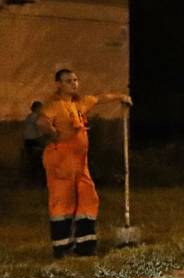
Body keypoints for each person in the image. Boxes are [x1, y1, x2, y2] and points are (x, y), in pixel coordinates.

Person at [38, 70, 132, 258]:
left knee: (88, 198)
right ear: (58, 84)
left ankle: (85, 246)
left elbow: (99, 98)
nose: (73, 84)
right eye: (68, 81)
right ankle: (62, 248)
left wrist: (122, 97)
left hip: (80, 162)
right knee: (62, 202)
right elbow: (42, 122)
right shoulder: (54, 105)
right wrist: (53, 133)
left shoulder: (79, 103)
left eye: (75, 80)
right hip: (61, 160)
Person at [21, 101, 46, 186]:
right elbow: (40, 130)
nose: (42, 110)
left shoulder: (29, 116)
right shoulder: (36, 118)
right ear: (37, 108)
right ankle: (39, 180)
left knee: (34, 160)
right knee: (43, 156)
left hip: (28, 142)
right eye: (41, 108)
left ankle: (34, 179)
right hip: (33, 142)